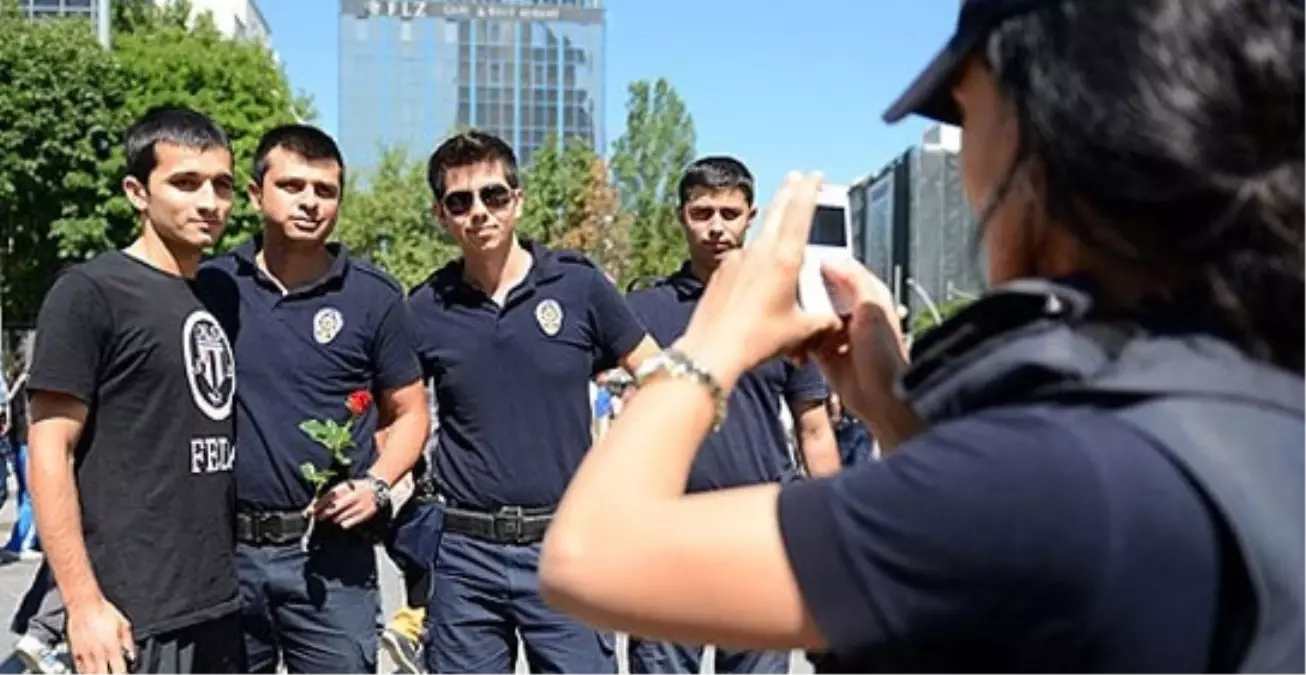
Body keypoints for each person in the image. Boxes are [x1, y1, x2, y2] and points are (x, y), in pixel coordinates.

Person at [538, 0, 1306, 673]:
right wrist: (892, 412)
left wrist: (713, 343)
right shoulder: (1252, 403)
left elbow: (591, 555)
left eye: (969, 117)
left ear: (1041, 135)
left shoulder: (1068, 467)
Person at [407, 129, 659, 674]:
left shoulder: (578, 285)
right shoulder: (425, 307)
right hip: (464, 554)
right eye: (460, 201)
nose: (480, 211)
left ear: (517, 200)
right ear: (440, 215)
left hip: (566, 543)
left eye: (494, 195)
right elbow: (395, 411)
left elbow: (657, 375)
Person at [199, 124, 429, 674]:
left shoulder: (373, 296)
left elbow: (411, 410)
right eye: (293, 186)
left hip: (332, 558)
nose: (309, 202)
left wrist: (378, 485)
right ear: (256, 195)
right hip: (222, 552)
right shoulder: (208, 285)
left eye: (325, 191)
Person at [27, 106, 243, 675]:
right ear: (137, 191)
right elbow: (50, 449)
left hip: (218, 602)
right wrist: (82, 604)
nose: (208, 202)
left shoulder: (220, 297)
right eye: (185, 182)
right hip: (129, 613)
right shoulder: (91, 292)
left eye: (221, 185)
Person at [623, 156, 839, 675]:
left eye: (729, 212)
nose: (716, 226)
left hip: (759, 534)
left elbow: (814, 428)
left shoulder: (781, 310)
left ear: (750, 216)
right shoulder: (644, 309)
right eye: (702, 212)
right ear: (681, 216)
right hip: (667, 533)